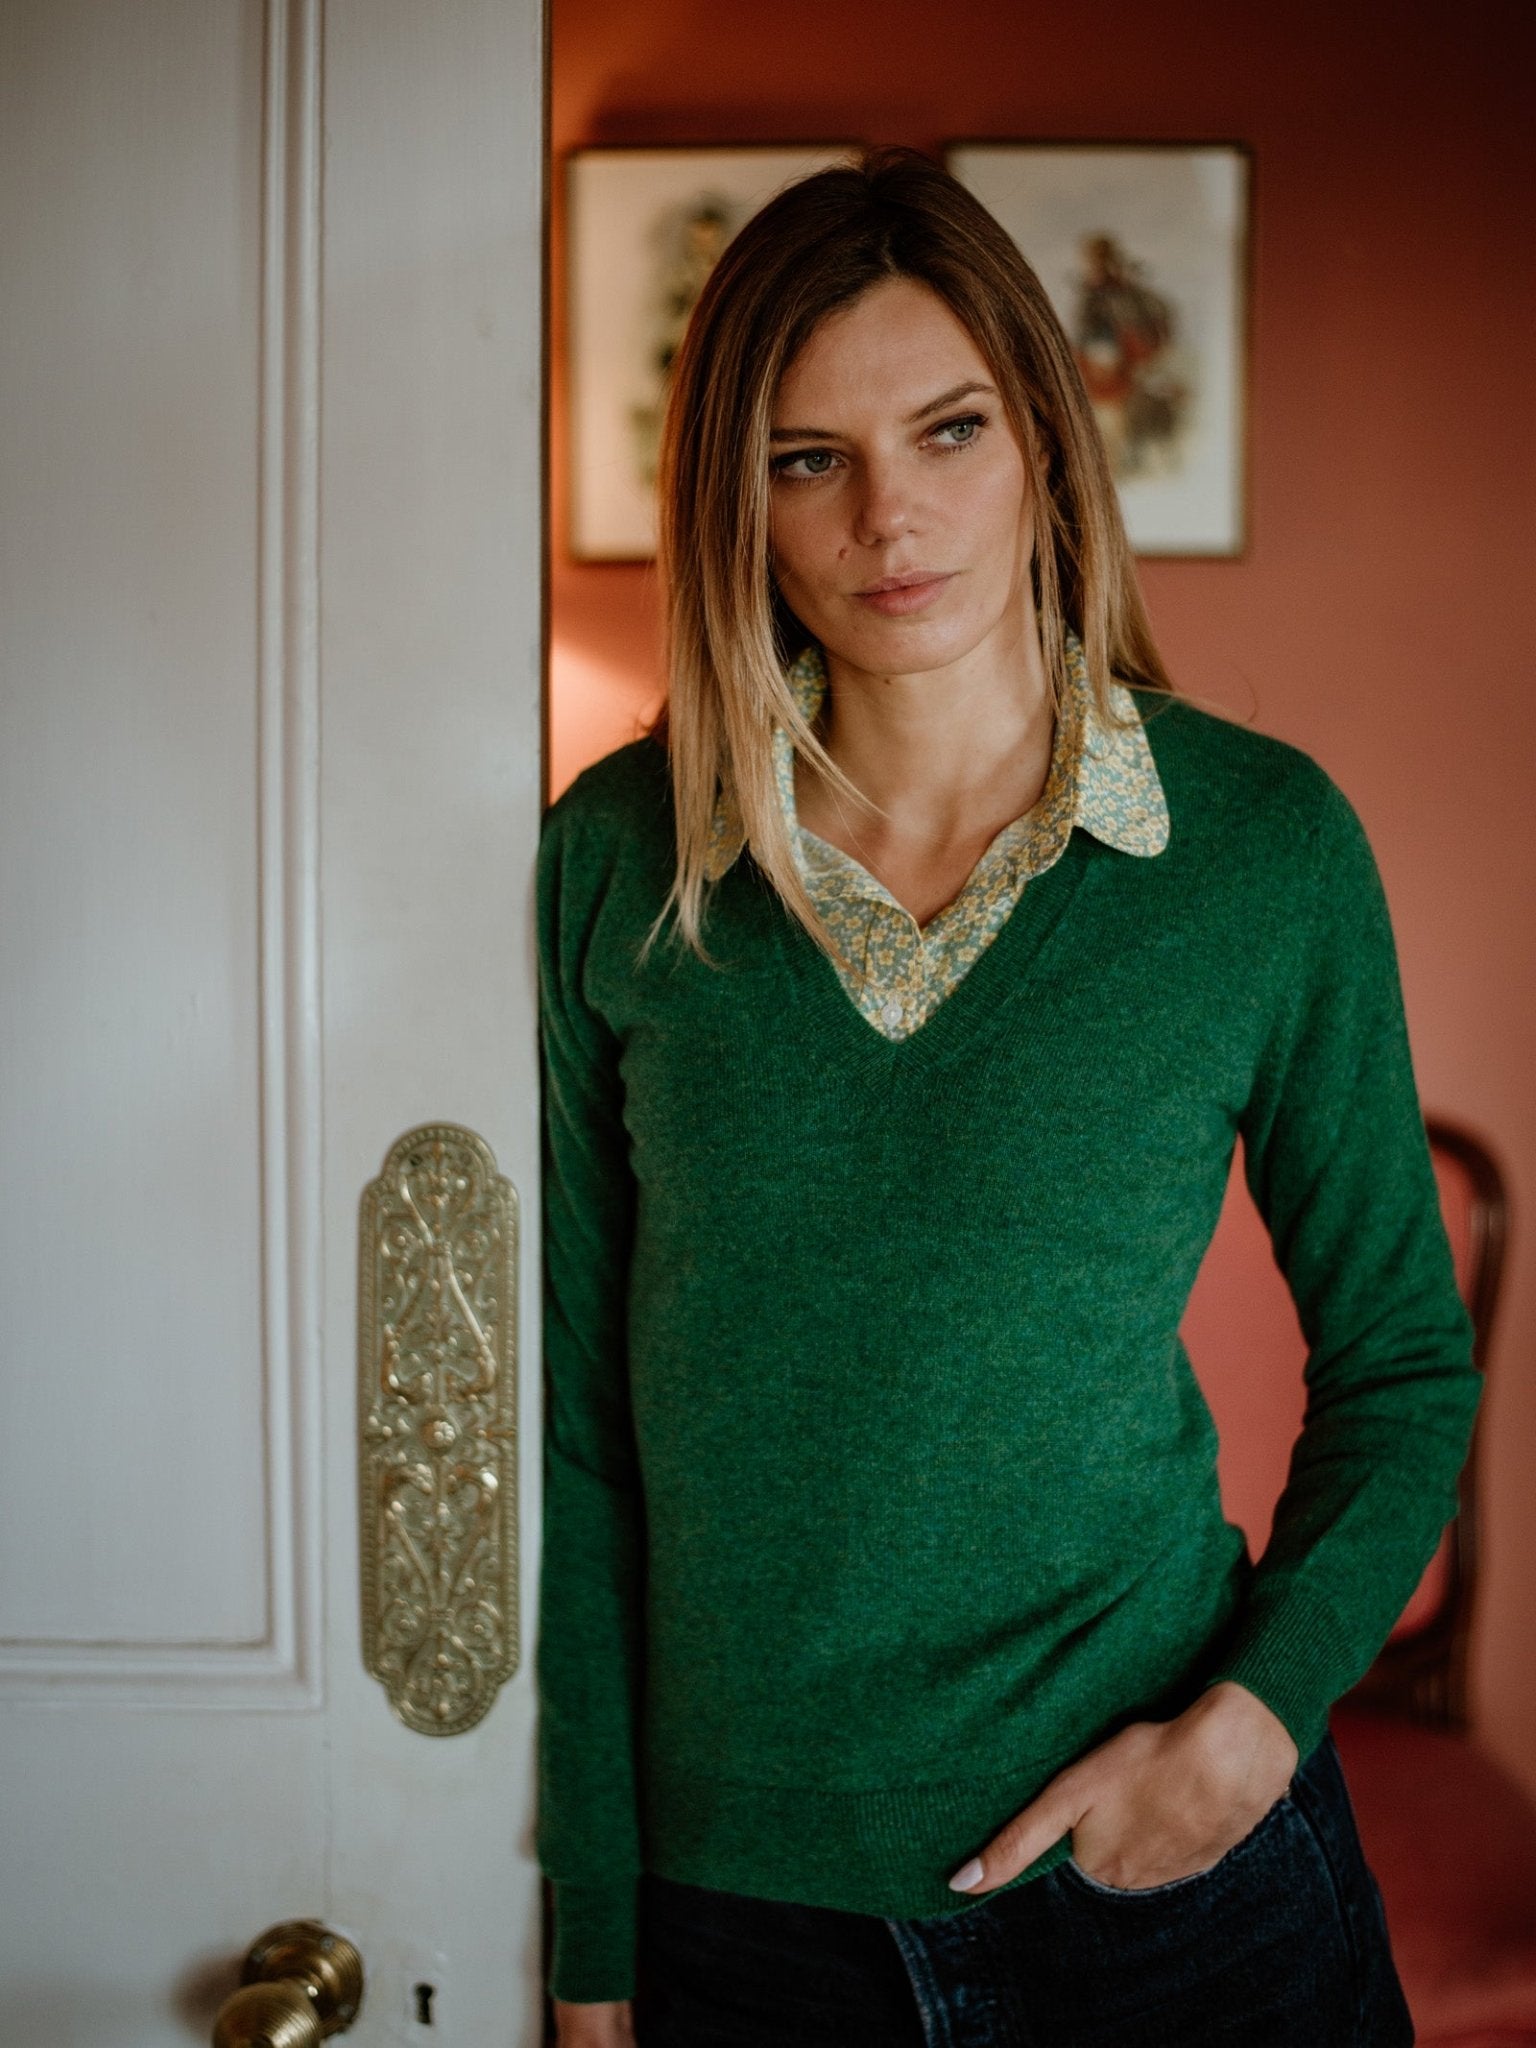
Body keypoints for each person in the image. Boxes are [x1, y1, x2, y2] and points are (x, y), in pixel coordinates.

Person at [535, 145, 1481, 2047]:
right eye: (809, 457)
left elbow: (1403, 1363)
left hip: (1180, 1902)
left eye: (948, 428)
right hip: (751, 1931)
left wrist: (1244, 1733)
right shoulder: (626, 861)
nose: (892, 516)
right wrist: (598, 1942)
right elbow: (570, 1435)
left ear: (1043, 436)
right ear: (738, 497)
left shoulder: (1259, 851)